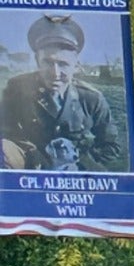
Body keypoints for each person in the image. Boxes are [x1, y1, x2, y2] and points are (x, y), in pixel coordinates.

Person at [0, 13, 126, 170]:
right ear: (37, 61)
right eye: (48, 62)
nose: (55, 72)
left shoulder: (91, 98)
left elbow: (111, 146)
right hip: (31, 165)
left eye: (63, 64)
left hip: (75, 168)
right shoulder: (17, 88)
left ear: (76, 65)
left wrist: (77, 161)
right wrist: (33, 155)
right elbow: (5, 132)